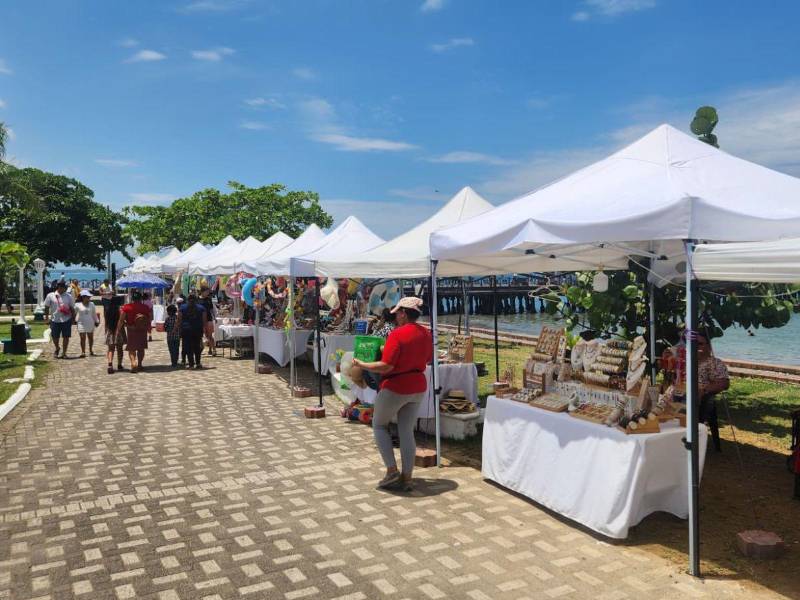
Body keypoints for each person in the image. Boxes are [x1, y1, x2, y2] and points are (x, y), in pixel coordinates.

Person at [352, 297, 432, 491]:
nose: (395, 316)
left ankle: (391, 471)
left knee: (379, 425)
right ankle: (407, 477)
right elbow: (428, 358)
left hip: (396, 386)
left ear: (404, 313)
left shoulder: (397, 334)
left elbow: (386, 365)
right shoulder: (426, 333)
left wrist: (361, 364)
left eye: (397, 312)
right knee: (406, 431)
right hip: (417, 386)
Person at [117, 290, 150, 373]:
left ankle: (133, 362)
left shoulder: (127, 307)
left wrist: (118, 329)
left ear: (132, 298)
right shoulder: (145, 307)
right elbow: (151, 318)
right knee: (141, 348)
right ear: (140, 298)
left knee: (131, 348)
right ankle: (139, 364)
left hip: (131, 330)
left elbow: (121, 320)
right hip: (142, 330)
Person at [43, 281, 75, 358]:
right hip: (55, 319)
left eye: (64, 287)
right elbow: (46, 307)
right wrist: (46, 318)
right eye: (61, 287)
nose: (62, 289)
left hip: (66, 319)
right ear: (58, 287)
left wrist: (73, 318)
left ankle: (64, 353)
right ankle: (57, 347)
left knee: (66, 337)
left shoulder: (68, 296)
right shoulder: (50, 295)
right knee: (54, 336)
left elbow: (72, 308)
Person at [176, 294, 207, 369]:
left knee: (188, 347)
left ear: (187, 300)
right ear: (196, 300)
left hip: (186, 330)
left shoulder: (182, 307)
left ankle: (191, 364)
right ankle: (198, 363)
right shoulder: (201, 308)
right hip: (197, 329)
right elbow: (204, 321)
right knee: (197, 347)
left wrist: (177, 329)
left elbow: (179, 320)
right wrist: (204, 329)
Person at [104, 295, 126, 373]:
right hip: (119, 331)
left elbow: (106, 322)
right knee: (119, 349)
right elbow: (122, 321)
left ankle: (110, 364)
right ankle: (119, 364)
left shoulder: (107, 310)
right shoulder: (121, 310)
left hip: (110, 331)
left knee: (110, 349)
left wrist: (105, 331)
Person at [75, 290, 99, 357]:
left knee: (90, 337)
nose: (89, 298)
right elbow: (74, 313)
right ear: (83, 297)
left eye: (89, 297)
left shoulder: (92, 304)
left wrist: (96, 321)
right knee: (82, 337)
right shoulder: (77, 305)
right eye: (87, 297)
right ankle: (83, 352)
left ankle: (91, 350)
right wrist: (74, 320)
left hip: (90, 322)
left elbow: (94, 314)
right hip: (81, 323)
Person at [199, 286, 216, 356]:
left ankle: (213, 349)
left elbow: (211, 310)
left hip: (209, 319)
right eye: (207, 291)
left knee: (209, 335)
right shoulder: (198, 299)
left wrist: (214, 317)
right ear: (202, 292)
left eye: (208, 292)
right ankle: (201, 349)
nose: (208, 293)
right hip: (200, 319)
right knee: (201, 335)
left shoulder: (209, 299)